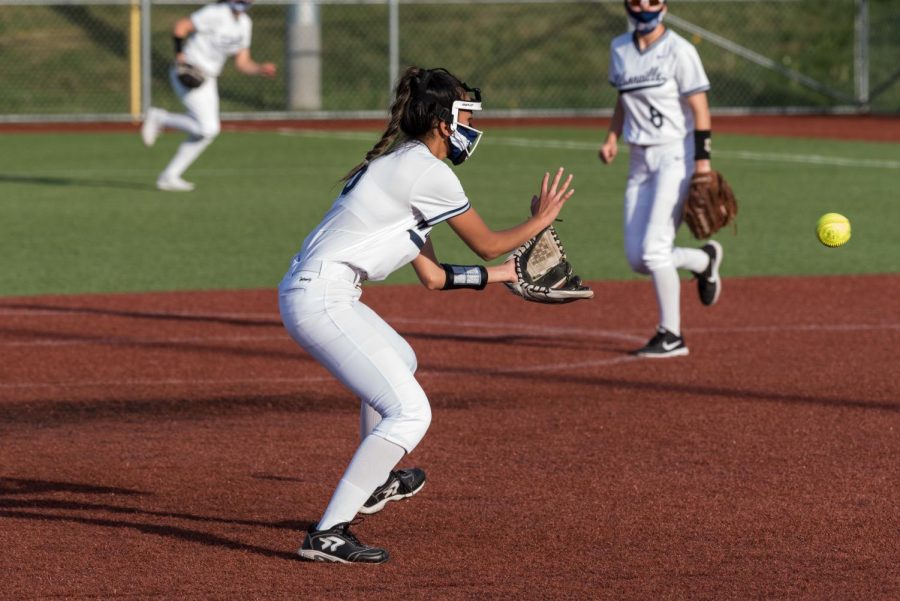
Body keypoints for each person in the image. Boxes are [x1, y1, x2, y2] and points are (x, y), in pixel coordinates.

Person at [279, 66, 575, 563]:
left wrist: (506, 276)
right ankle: (327, 532)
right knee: (412, 412)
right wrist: (540, 221)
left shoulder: (408, 165)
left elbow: (433, 277)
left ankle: (372, 484)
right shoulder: (428, 173)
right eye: (464, 113)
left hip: (322, 293)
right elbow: (486, 244)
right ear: (442, 121)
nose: (471, 124)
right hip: (321, 297)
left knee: (401, 358)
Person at [598, 0, 724, 358]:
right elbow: (623, 99)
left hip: (676, 156)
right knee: (639, 258)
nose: (643, 7)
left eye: (651, 0)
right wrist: (611, 136)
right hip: (639, 160)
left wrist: (702, 163)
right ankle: (703, 262)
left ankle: (672, 335)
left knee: (655, 249)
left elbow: (700, 110)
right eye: (636, 1)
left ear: (664, 5)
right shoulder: (620, 48)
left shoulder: (679, 51)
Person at [140, 0, 276, 191]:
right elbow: (181, 27)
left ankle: (169, 176)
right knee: (208, 128)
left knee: (207, 132)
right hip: (190, 71)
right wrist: (180, 55)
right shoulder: (216, 12)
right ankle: (159, 118)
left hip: (208, 78)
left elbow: (242, 62)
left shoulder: (245, 23)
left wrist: (260, 68)